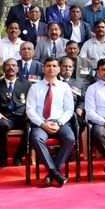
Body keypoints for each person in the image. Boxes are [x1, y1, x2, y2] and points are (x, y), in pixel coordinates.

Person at [24, 58, 75, 187]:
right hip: (41, 123)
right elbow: (30, 110)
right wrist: (43, 124)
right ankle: (55, 172)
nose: (51, 68)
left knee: (70, 138)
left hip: (60, 123)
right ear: (43, 68)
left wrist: (59, 123)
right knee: (36, 138)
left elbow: (69, 110)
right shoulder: (34, 87)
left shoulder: (65, 87)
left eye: (54, 66)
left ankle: (53, 172)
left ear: (58, 69)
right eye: (48, 66)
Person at [0, 58, 31, 166]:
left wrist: (29, 114)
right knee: (1, 126)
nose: (11, 68)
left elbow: (32, 102)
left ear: (18, 68)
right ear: (3, 68)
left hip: (22, 117)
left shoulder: (27, 85)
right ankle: (2, 157)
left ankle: (18, 156)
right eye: (8, 65)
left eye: (14, 65)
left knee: (31, 127)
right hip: (5, 117)